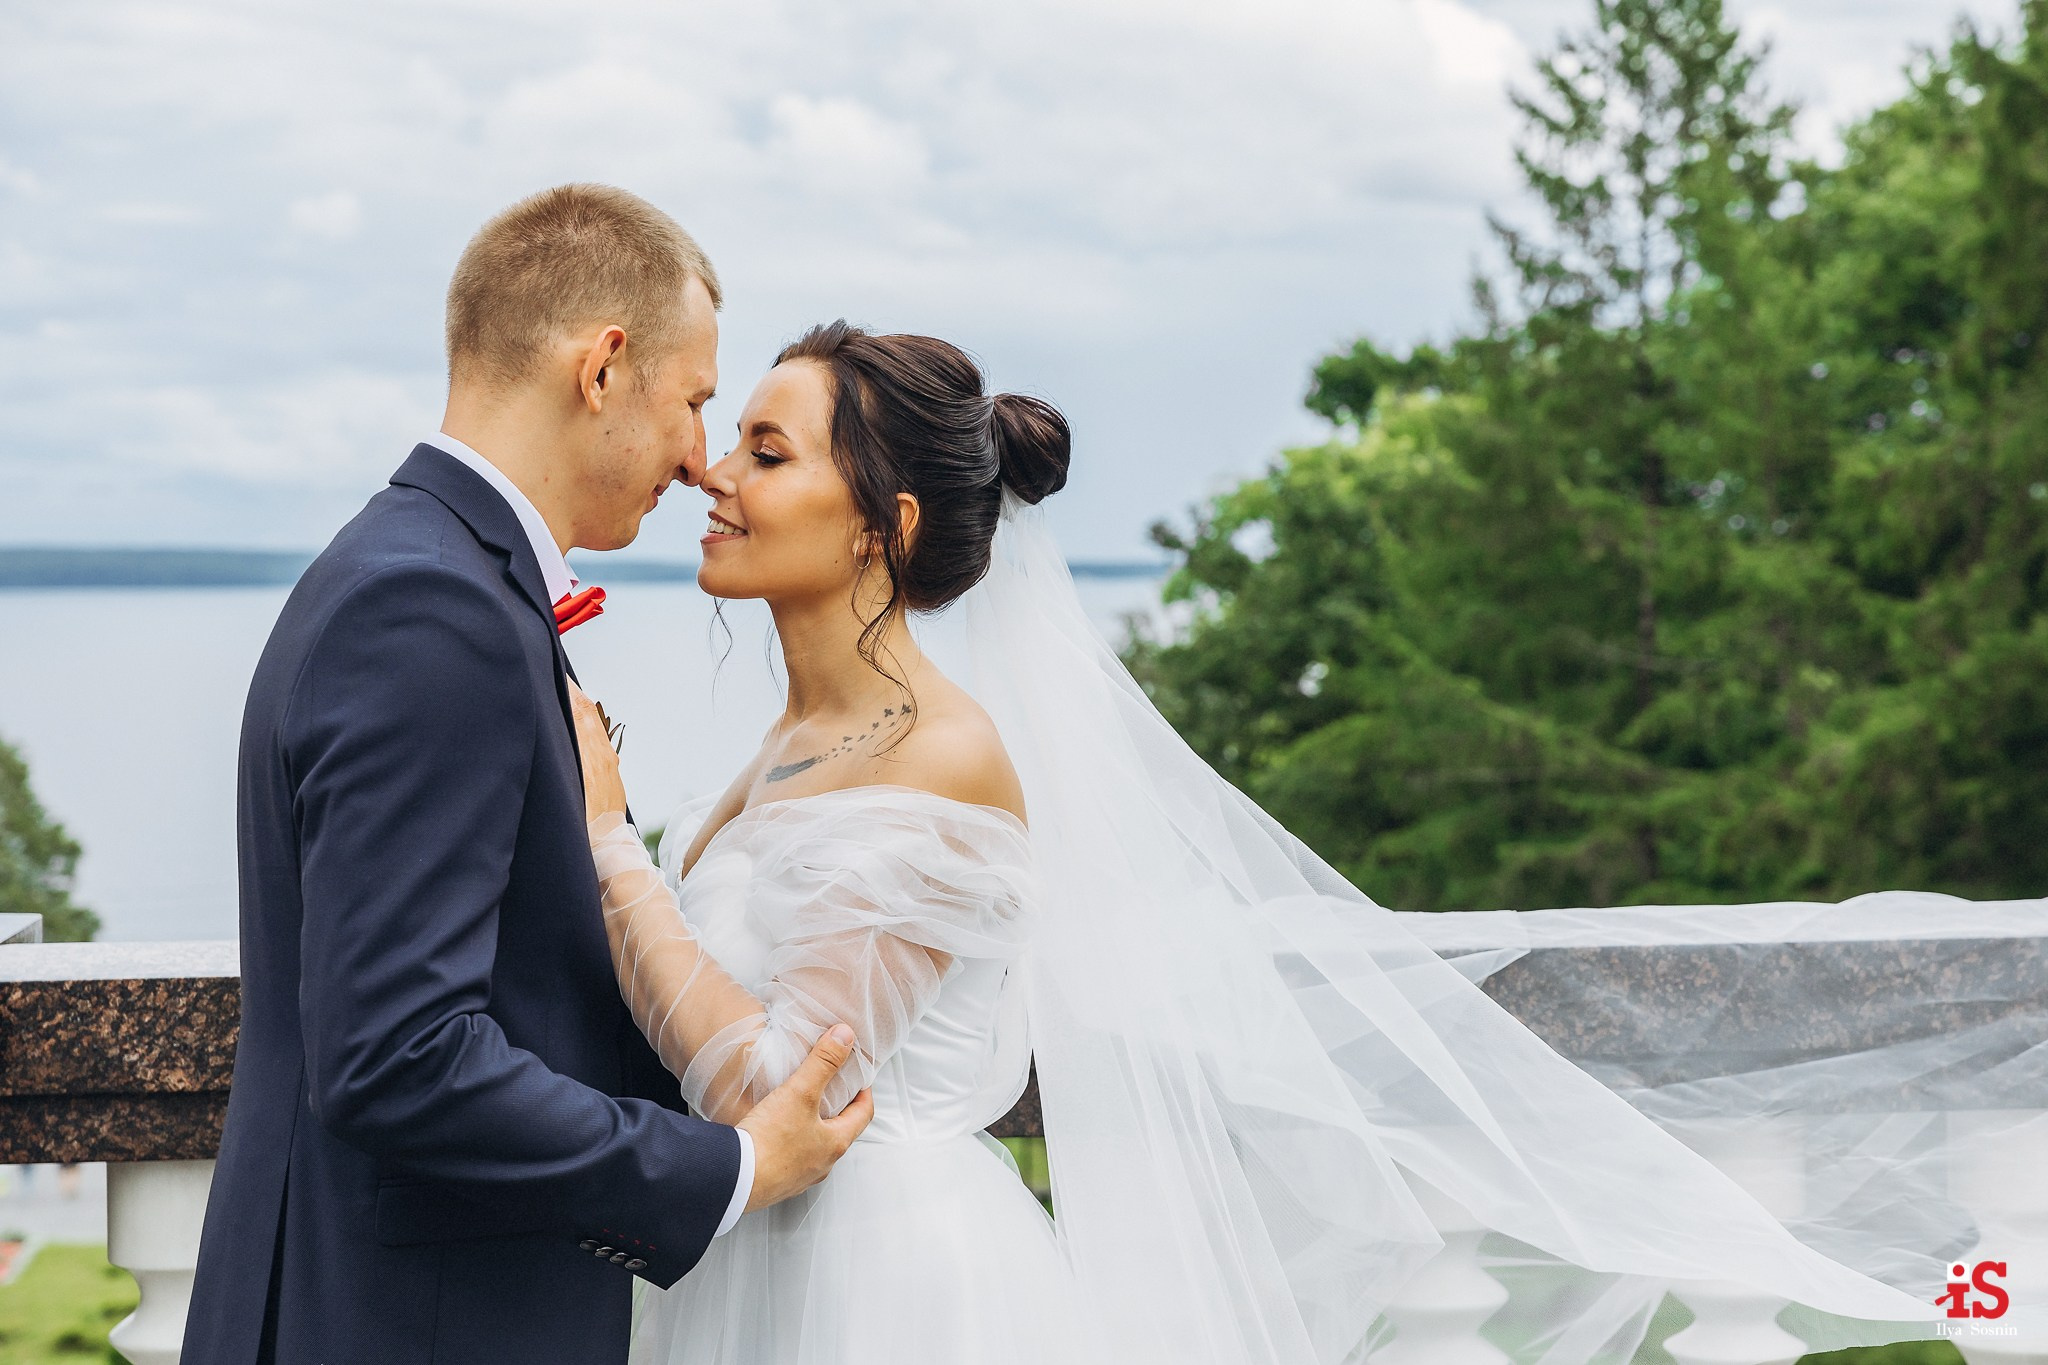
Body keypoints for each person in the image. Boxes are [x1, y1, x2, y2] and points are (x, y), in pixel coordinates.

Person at [566, 321, 1957, 1365]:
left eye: (765, 450)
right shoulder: (783, 743)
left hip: (879, 1295)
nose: (713, 473)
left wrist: (610, 839)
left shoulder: (941, 758)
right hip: (738, 1274)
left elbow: (775, 1085)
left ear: (887, 522)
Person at [183, 185, 871, 1365]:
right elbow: (400, 1054)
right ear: (601, 369)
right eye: (695, 403)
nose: (697, 459)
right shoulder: (431, 607)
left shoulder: (421, 569)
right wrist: (732, 1165)